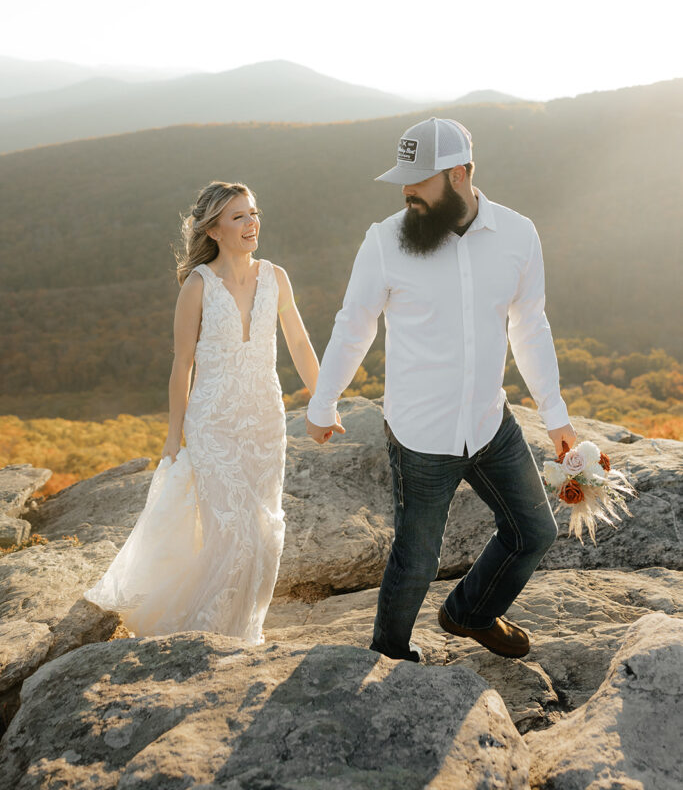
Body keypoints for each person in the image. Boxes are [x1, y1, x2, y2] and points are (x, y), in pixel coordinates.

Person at [306, 117, 576, 662]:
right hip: (420, 430)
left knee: (534, 531)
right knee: (417, 558)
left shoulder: (518, 235)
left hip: (488, 422)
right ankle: (388, 653)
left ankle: (469, 613)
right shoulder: (385, 241)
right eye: (403, 179)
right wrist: (323, 400)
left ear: (459, 175)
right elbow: (355, 323)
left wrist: (556, 416)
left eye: (419, 180)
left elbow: (530, 326)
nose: (407, 191)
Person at [85, 180, 328, 642]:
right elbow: (183, 365)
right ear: (213, 230)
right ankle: (207, 634)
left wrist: (323, 401)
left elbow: (298, 342)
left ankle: (245, 630)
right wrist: (173, 436)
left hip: (264, 422)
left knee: (264, 534)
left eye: (253, 212)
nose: (252, 222)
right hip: (213, 425)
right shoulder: (197, 286)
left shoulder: (275, 277)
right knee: (232, 535)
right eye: (239, 216)